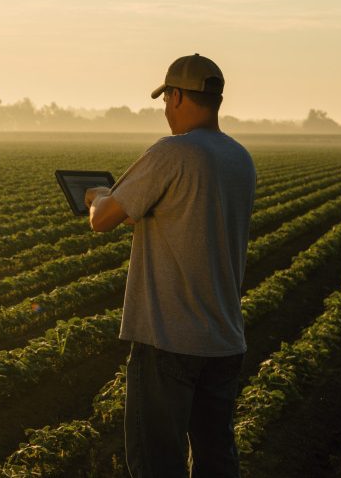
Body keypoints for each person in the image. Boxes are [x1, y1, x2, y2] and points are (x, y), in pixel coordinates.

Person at [83, 54, 256, 477]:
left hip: (169, 340)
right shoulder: (239, 158)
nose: (164, 110)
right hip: (223, 339)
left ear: (177, 96)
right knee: (217, 459)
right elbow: (182, 212)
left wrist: (97, 197)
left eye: (166, 100)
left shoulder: (174, 152)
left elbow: (103, 221)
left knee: (157, 463)